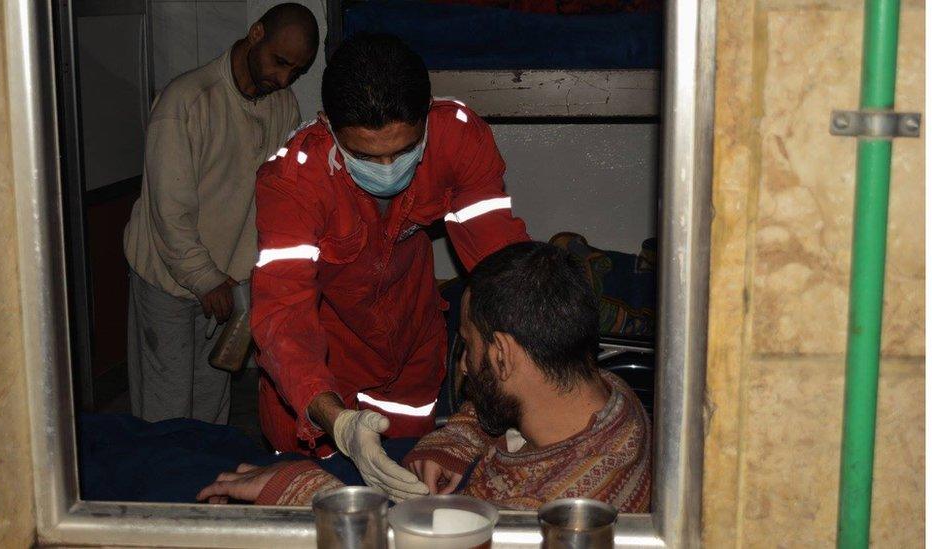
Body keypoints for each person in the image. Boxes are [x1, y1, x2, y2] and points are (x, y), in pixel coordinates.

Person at [251, 32, 530, 499]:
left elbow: (502, 264)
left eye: (404, 150)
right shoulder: (294, 181)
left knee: (419, 489)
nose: (387, 168)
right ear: (327, 125)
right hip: (317, 375)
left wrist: (527, 379)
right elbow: (283, 315)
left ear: (426, 117)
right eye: (364, 155)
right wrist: (338, 424)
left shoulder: (456, 136)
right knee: (312, 505)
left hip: (411, 354)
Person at [198, 242, 652, 511]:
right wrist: (448, 447)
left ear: (501, 354)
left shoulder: (553, 513)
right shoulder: (605, 395)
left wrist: (308, 494)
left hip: (373, 518)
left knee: (184, 474)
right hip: (439, 486)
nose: (463, 366)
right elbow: (496, 411)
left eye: (469, 346)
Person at [123, 4, 318, 424]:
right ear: (255, 33)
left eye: (296, 72)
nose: (284, 80)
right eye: (279, 62)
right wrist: (207, 278)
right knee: (167, 416)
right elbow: (168, 213)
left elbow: (282, 200)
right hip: (169, 284)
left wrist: (253, 279)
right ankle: (162, 490)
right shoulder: (186, 102)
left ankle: (205, 488)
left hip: (229, 289)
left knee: (212, 414)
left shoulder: (282, 107)